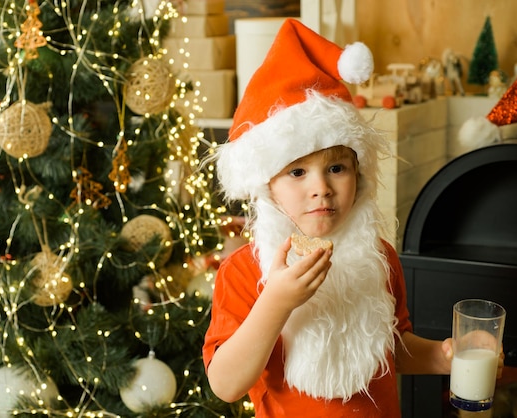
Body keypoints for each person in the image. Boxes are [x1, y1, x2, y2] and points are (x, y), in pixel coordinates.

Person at [202, 19, 501, 417]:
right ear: (267, 184)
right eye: (297, 172)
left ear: (358, 174)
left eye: (337, 169)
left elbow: (388, 348)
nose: (321, 188)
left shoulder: (379, 258)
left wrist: (444, 357)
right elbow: (225, 384)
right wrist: (276, 301)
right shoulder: (244, 272)